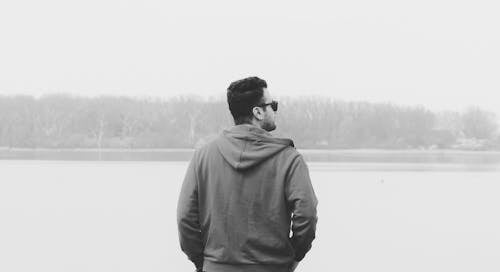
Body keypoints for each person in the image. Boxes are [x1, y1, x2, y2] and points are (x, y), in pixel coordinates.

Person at [177, 76, 318, 272]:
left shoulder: (203, 156)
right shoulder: (289, 159)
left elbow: (185, 218)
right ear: (258, 112)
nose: (275, 109)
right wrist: (293, 257)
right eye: (272, 105)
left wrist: (204, 262)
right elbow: (307, 215)